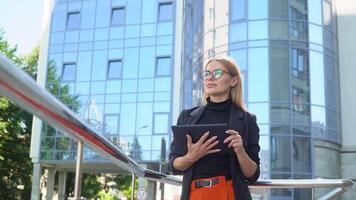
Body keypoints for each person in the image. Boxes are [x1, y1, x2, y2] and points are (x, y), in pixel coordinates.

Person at [169, 56, 260, 200]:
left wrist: (240, 151)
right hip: (194, 194)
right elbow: (173, 165)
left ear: (233, 80)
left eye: (217, 73)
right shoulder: (187, 117)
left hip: (230, 193)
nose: (210, 78)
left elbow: (253, 174)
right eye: (206, 74)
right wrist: (190, 157)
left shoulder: (247, 120)